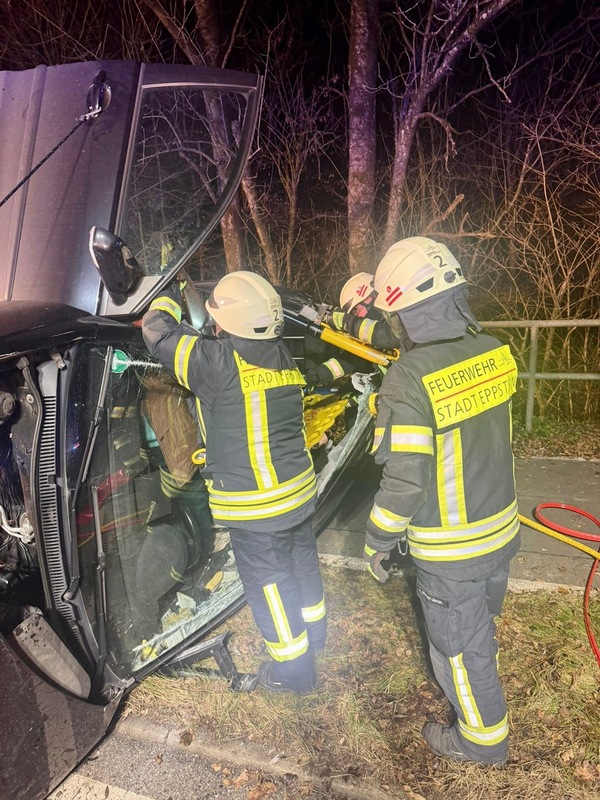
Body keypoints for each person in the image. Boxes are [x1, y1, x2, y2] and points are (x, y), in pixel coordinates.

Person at [362, 236, 520, 765]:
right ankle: (484, 681)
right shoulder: (495, 351)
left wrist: (377, 540)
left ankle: (482, 740)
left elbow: (405, 481)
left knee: (456, 645)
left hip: (453, 548)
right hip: (500, 528)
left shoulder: (409, 377)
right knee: (478, 623)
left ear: (404, 310)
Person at [142, 271, 326, 693]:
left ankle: (294, 673)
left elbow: (157, 332)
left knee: (270, 586)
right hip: (297, 492)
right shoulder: (282, 354)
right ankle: (317, 638)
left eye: (216, 320)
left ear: (228, 324)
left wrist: (166, 293)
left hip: (257, 505)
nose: (213, 326)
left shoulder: (217, 361)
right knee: (302, 567)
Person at [305, 272, 402, 387]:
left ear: (369, 298)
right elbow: (350, 359)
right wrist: (314, 377)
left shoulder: (398, 311)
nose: (358, 317)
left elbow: (393, 336)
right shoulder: (377, 336)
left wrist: (346, 321)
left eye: (356, 310)